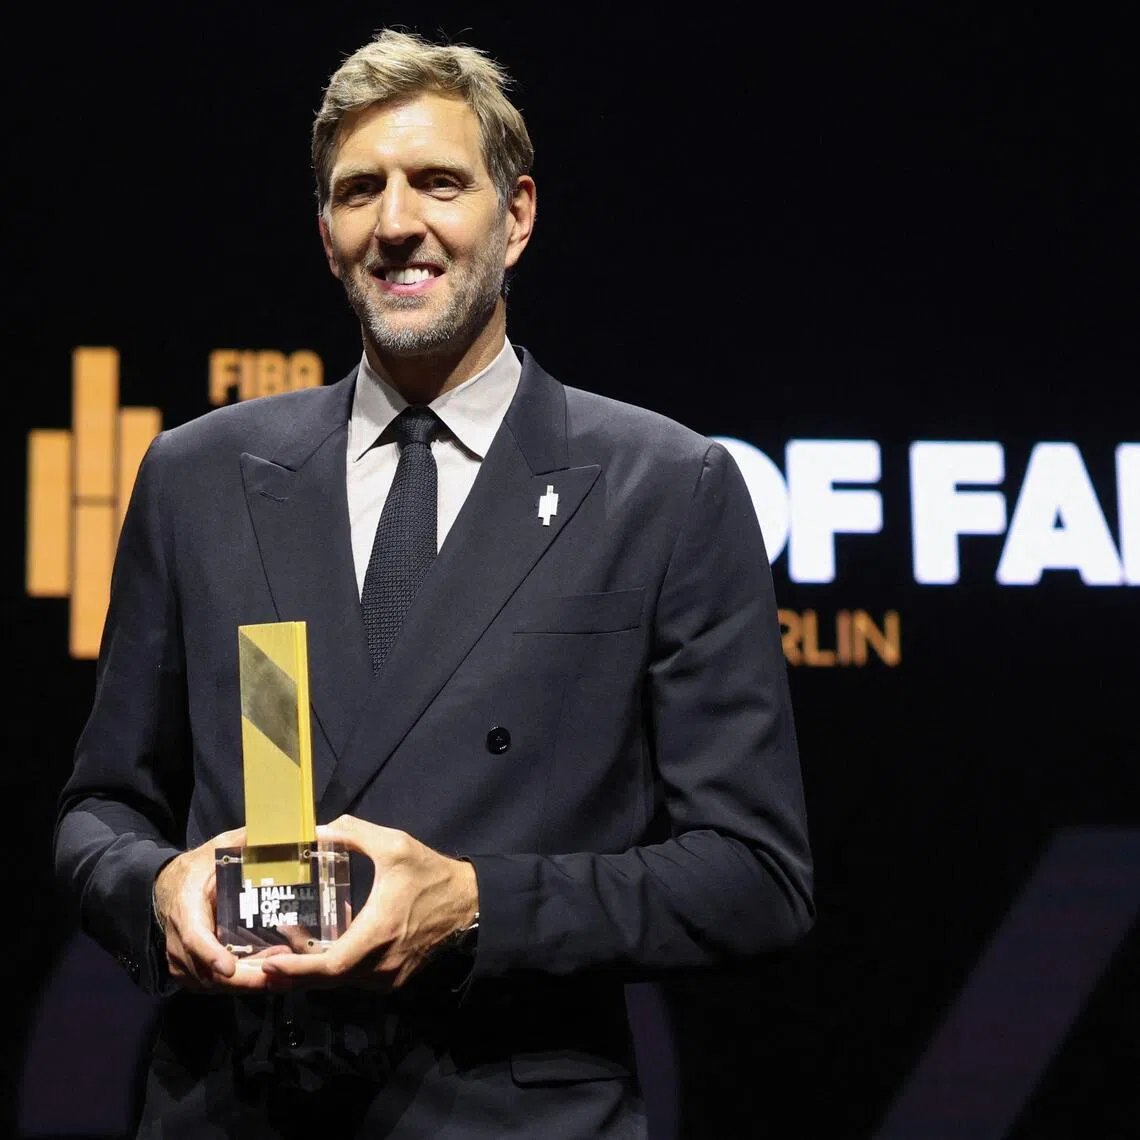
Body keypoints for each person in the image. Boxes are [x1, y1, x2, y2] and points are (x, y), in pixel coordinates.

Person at [54, 28, 814, 1140]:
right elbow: (100, 811)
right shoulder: (199, 476)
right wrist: (155, 890)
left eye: (438, 183)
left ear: (515, 217)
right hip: (236, 1105)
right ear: (326, 235)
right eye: (359, 190)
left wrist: (478, 905)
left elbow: (754, 878)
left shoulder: (667, 487)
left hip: (507, 1112)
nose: (397, 222)